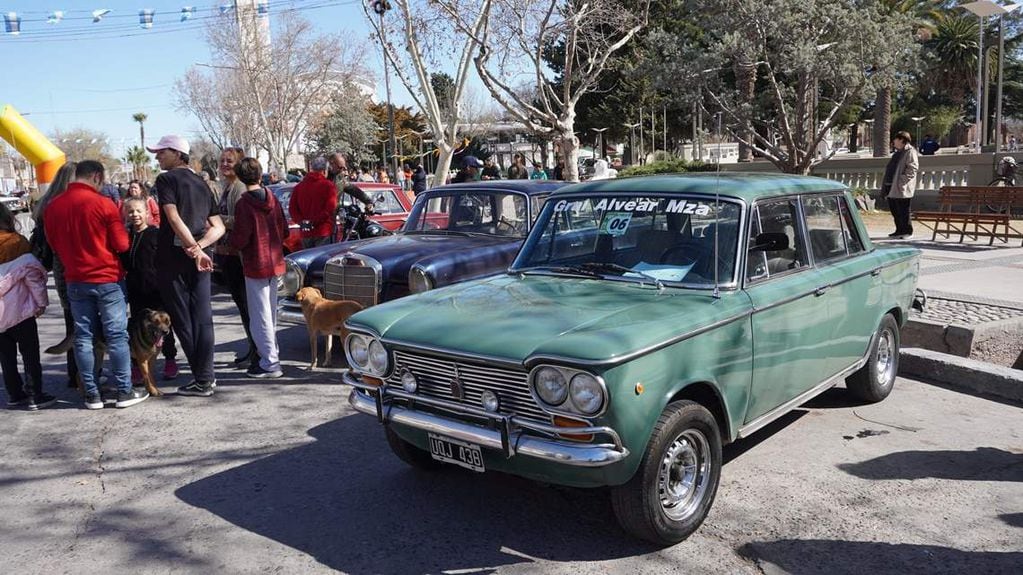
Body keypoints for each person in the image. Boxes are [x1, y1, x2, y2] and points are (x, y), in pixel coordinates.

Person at [45, 160, 147, 409]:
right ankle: (124, 391)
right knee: (116, 336)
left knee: (83, 337)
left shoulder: (52, 207)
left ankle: (91, 394)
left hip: (76, 280)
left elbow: (54, 245)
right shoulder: (104, 204)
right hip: (107, 278)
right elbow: (122, 244)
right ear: (97, 177)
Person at [147, 135, 225, 397]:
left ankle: (203, 380)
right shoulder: (202, 183)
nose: (157, 156)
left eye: (162, 152)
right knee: (202, 319)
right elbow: (219, 228)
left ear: (178, 153)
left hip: (175, 259)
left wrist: (193, 249)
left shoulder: (166, 180)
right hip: (200, 256)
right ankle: (206, 377)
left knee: (184, 321)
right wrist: (200, 248)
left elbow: (172, 217)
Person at [230, 157, 288, 379]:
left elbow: (240, 239)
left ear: (241, 177)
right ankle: (272, 357)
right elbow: (284, 231)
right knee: (270, 314)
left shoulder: (244, 204)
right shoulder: (273, 197)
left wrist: (231, 243)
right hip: (275, 262)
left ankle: (270, 362)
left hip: (255, 264)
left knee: (260, 316)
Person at [0, 203, 53, 410]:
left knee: (6, 357)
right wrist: (41, 303)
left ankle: (14, 393)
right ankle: (35, 394)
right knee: (30, 354)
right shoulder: (17, 243)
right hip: (21, 311)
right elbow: (32, 278)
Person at [31, 161, 79, 388]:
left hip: (59, 270)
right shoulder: (70, 205)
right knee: (87, 324)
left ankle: (73, 372)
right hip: (75, 268)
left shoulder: (45, 205)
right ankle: (84, 374)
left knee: (72, 321)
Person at [120, 197, 178, 383]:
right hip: (135, 290)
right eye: (130, 212)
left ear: (147, 212)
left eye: (138, 211)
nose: (134, 215)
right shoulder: (126, 236)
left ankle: (170, 359)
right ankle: (137, 364)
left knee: (163, 327)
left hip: (156, 289)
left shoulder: (156, 234)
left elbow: (167, 260)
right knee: (137, 328)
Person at [213, 147, 257, 367]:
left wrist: (215, 219)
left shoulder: (239, 188)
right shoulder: (227, 187)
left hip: (236, 257)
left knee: (248, 308)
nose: (224, 164)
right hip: (226, 256)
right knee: (243, 307)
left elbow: (240, 221)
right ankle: (252, 349)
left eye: (229, 161)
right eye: (222, 161)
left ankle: (257, 351)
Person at [290, 156, 337, 249]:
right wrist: (315, 222)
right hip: (323, 231)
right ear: (324, 171)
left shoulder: (299, 187)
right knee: (322, 261)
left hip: (306, 232)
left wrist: (303, 222)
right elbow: (330, 208)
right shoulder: (328, 186)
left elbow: (292, 209)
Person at [884, 131, 919, 239]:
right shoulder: (898, 152)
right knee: (895, 210)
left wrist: (901, 181)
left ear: (901, 140)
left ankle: (907, 232)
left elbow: (912, 169)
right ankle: (899, 230)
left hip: (901, 187)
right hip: (891, 186)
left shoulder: (910, 152)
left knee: (903, 210)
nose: (893, 141)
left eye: (895, 139)